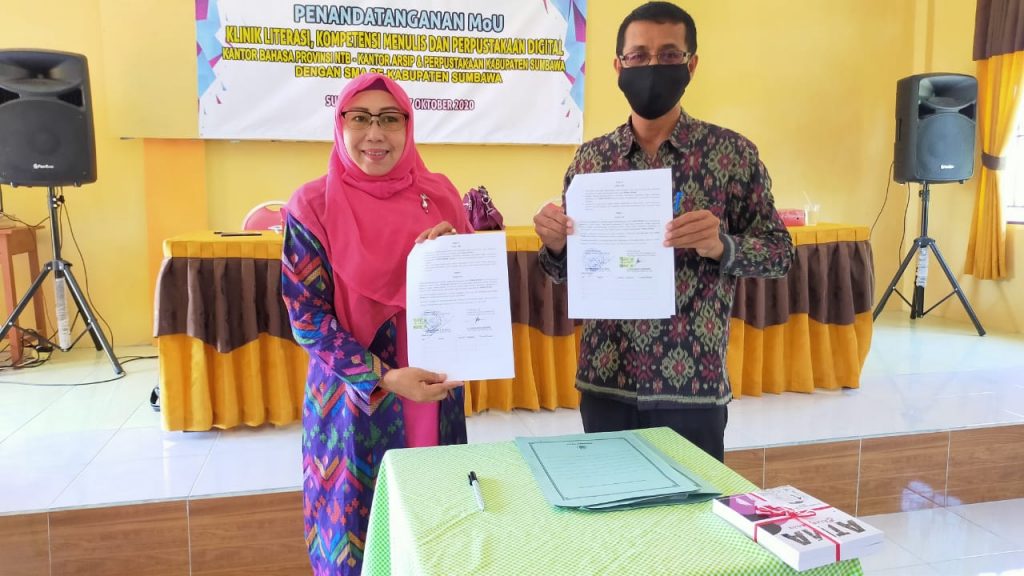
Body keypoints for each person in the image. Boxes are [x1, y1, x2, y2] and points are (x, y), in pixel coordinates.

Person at [533, 2, 794, 462]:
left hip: (691, 384)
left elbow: (780, 253)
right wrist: (555, 247)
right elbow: (566, 272)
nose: (653, 66)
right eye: (638, 56)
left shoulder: (731, 154)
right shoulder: (591, 160)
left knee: (694, 506)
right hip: (606, 380)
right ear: (618, 66)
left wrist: (722, 246)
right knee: (610, 501)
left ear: (691, 65)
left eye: (669, 55)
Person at [282, 72, 471, 576]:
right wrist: (383, 377)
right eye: (360, 119)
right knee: (358, 538)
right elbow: (307, 315)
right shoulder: (312, 206)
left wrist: (455, 252)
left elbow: (470, 289)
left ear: (408, 127)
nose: (375, 134)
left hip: (433, 391)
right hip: (356, 400)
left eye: (390, 119)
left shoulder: (441, 195)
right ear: (340, 125)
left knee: (435, 529)